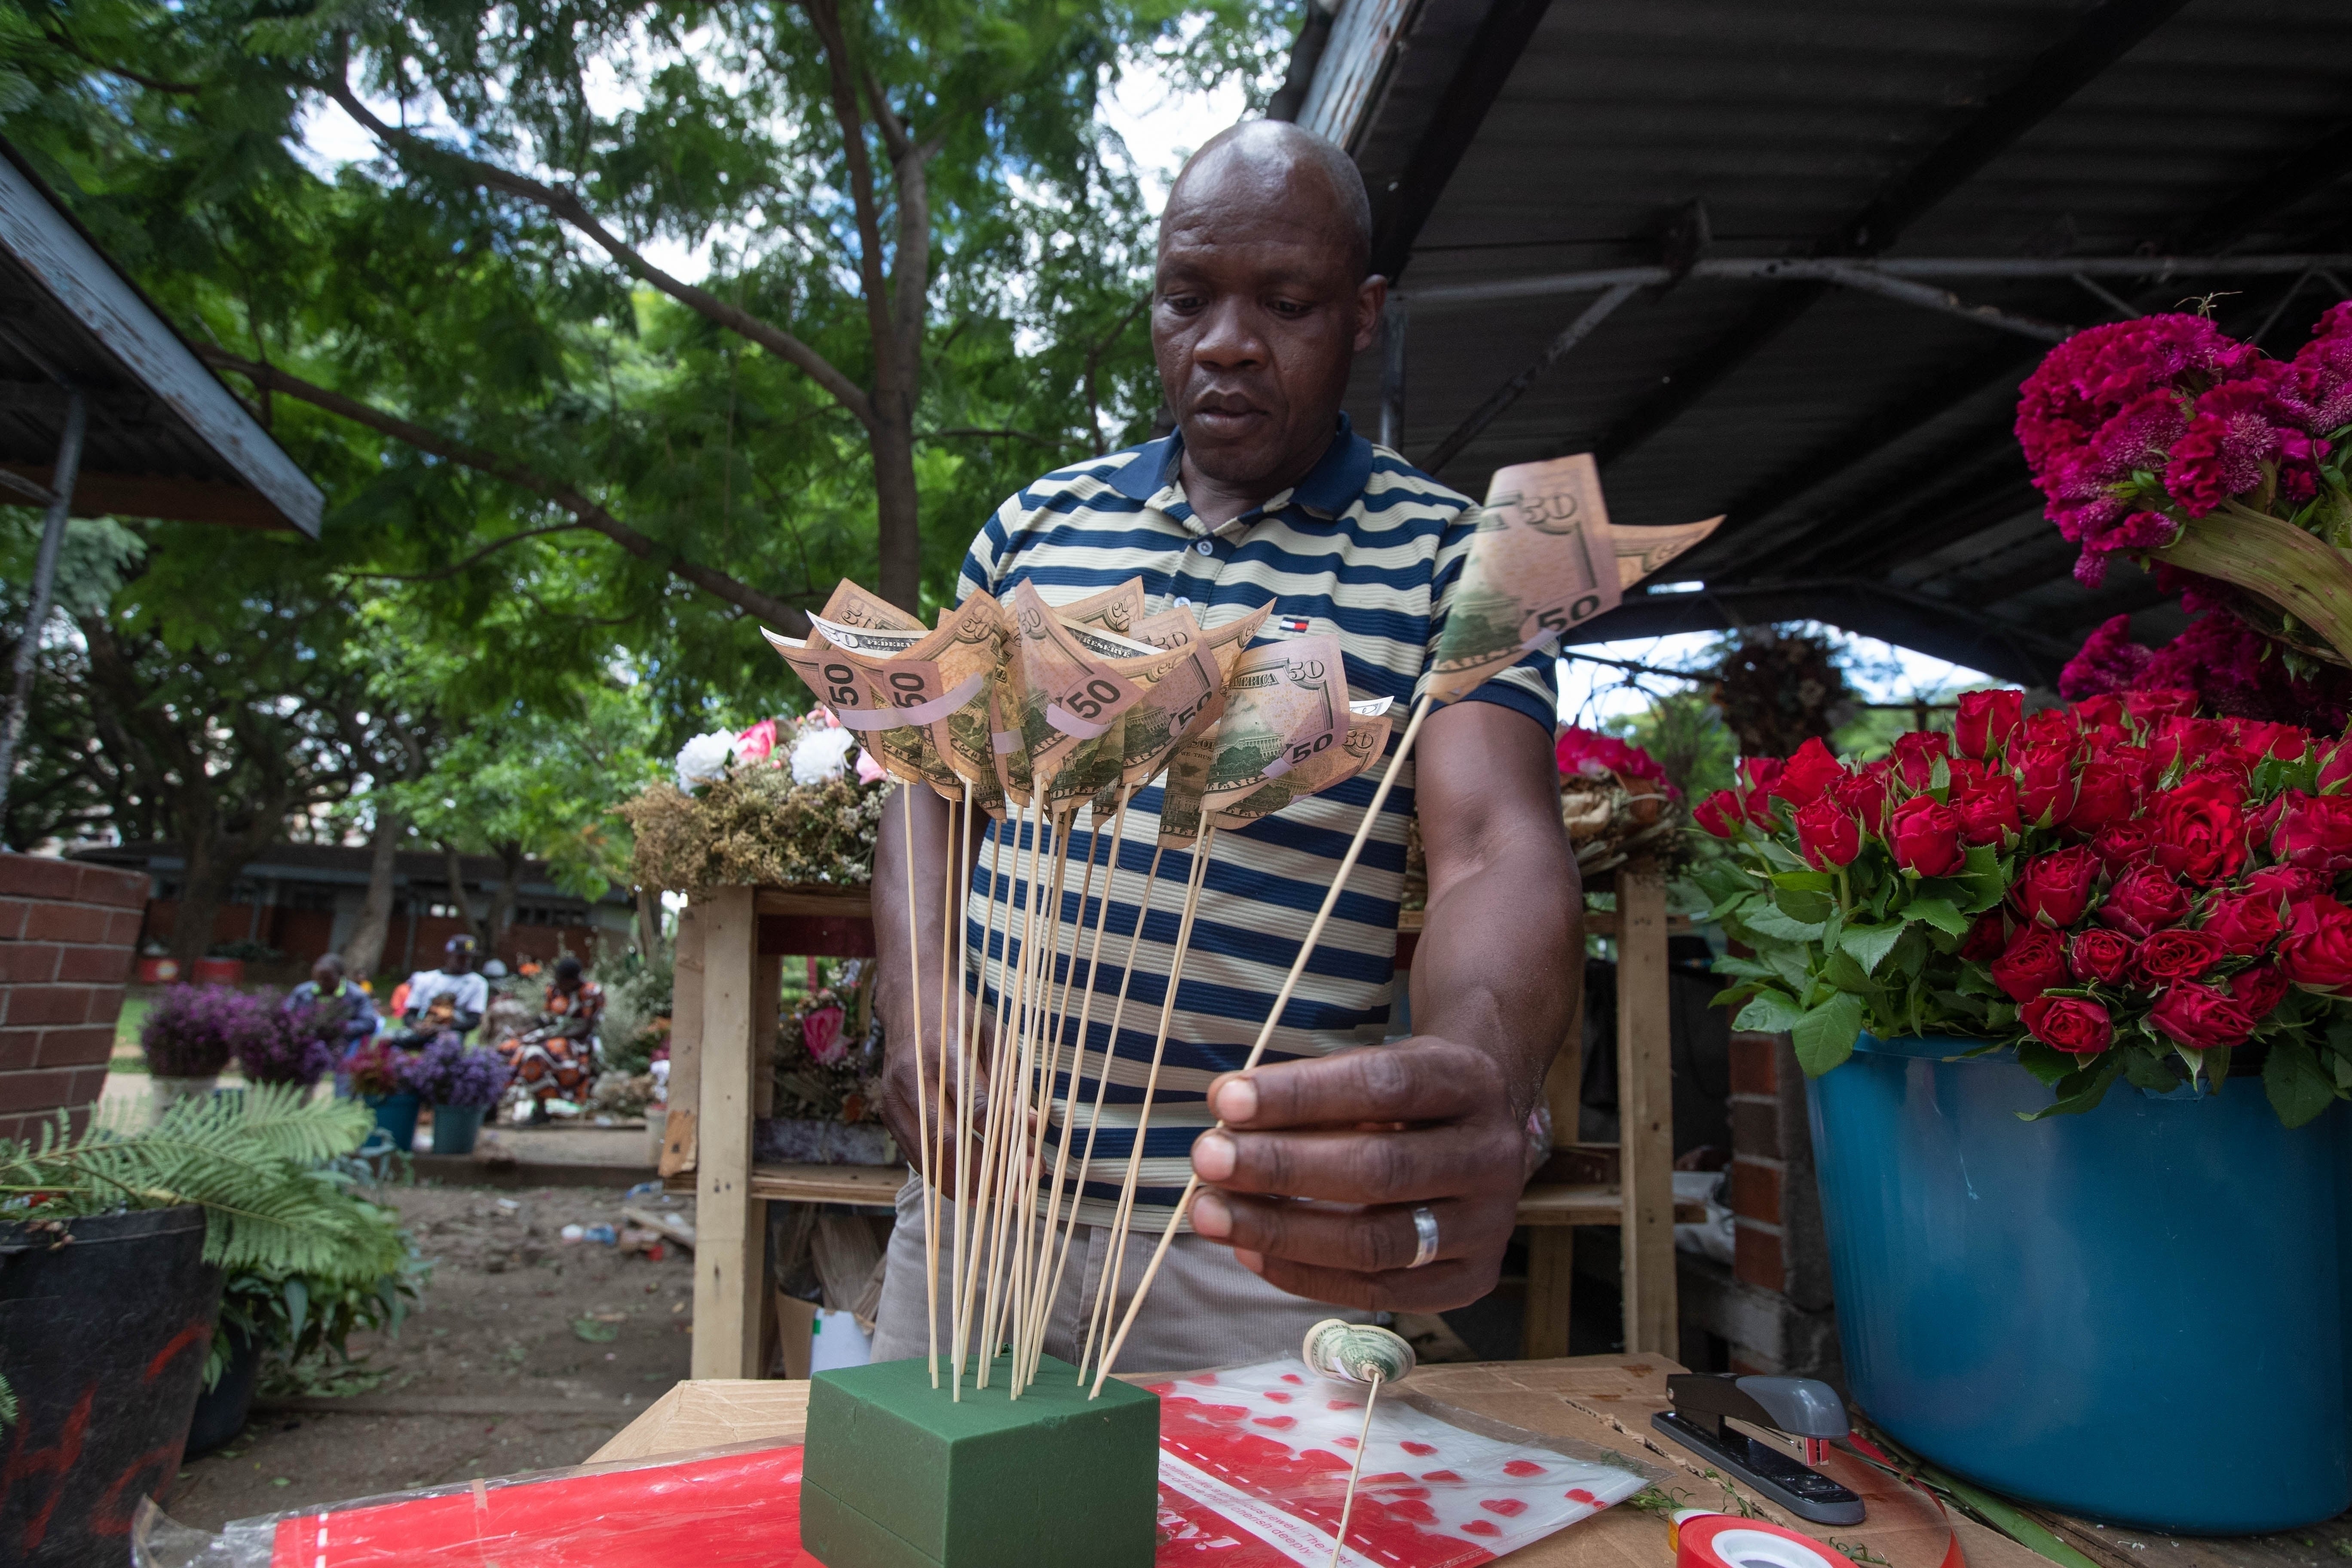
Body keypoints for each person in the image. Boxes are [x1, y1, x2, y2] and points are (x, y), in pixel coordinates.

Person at [867, 120, 1580, 1372]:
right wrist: (919, 999)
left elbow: (1493, 846)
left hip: (1264, 1238)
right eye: (1187, 299)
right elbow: (931, 788)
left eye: (1287, 302)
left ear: (1363, 314)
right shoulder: (1035, 524)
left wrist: (1477, 1063)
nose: (1227, 341)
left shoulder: (1473, 560)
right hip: (984, 1207)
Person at [496, 955, 603, 1120]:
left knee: (534, 1055)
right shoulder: (553, 990)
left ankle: (541, 1109)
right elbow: (546, 1019)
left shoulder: (591, 993)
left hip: (578, 1043)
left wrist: (549, 1036)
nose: (558, 983)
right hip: (549, 1036)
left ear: (573, 980)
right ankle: (491, 1105)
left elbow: (585, 1028)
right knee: (504, 1049)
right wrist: (527, 1032)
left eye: (561, 980)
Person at [288, 953, 380, 1093]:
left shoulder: (357, 996)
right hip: (310, 1041)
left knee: (347, 1063)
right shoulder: (303, 993)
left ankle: (342, 1105)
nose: (322, 984)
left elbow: (369, 1023)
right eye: (318, 979)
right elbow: (286, 1017)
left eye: (327, 979)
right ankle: (299, 1101)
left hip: (346, 1042)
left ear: (341, 976)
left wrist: (341, 1027)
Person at [398, 935, 490, 1046]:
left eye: (469, 958)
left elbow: (474, 1021)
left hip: (450, 1032)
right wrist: (417, 1026)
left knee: (448, 1045)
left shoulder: (478, 983)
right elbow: (410, 1014)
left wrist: (442, 1028)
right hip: (421, 1029)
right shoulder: (426, 979)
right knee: (387, 1039)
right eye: (461, 957)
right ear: (449, 956)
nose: (465, 962)